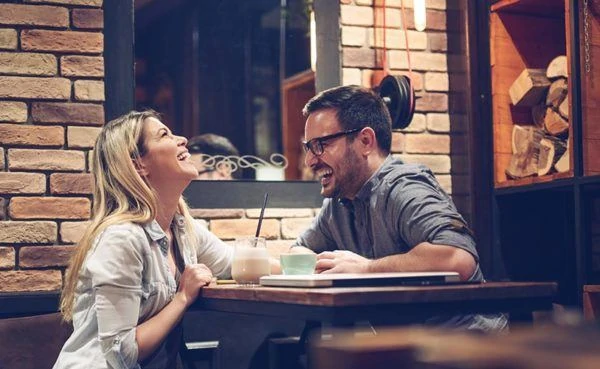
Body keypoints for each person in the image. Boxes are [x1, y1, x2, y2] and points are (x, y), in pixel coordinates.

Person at [292, 85, 507, 331]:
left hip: (469, 347)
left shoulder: (402, 186)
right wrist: (320, 264)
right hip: (409, 349)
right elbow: (299, 250)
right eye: (308, 147)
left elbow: (458, 258)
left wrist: (366, 268)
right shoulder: (338, 204)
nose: (310, 160)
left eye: (321, 144)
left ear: (365, 141)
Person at [54, 111, 233, 368]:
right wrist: (182, 297)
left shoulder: (182, 227)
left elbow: (233, 263)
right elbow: (121, 355)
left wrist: (306, 262)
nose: (182, 139)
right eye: (165, 135)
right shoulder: (121, 238)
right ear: (138, 164)